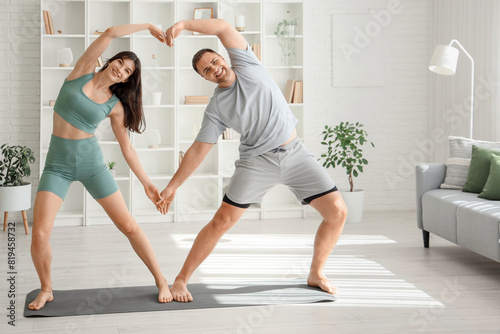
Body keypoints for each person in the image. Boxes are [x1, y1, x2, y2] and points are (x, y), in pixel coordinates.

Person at [157, 18, 347, 303]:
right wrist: (172, 187)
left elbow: (222, 27)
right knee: (222, 221)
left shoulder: (248, 63)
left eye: (214, 60)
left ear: (223, 56)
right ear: (206, 78)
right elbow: (199, 149)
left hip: (295, 153)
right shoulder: (216, 107)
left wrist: (184, 24)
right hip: (257, 162)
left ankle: (316, 273)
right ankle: (181, 279)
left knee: (337, 211)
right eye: (206, 70)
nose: (214, 68)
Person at [29, 24, 173, 310]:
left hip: (92, 165)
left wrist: (146, 183)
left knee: (128, 226)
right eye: (120, 62)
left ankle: (162, 281)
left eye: (128, 71)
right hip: (57, 166)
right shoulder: (81, 71)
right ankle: (46, 288)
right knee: (41, 233)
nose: (121, 70)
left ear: (128, 79)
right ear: (110, 61)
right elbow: (108, 33)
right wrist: (146, 26)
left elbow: (127, 148)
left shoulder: (115, 105)